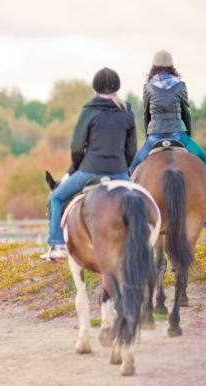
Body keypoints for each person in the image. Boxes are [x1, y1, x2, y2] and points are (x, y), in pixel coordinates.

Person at [41, 68, 136, 260]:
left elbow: (77, 147)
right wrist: (122, 168)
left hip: (89, 171)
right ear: (117, 87)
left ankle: (57, 245)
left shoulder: (89, 111)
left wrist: (76, 167)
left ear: (95, 88)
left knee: (56, 198)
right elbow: (131, 150)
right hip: (118, 171)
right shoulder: (127, 112)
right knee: (140, 202)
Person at [129, 50, 206, 209]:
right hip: (178, 134)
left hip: (154, 136)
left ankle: (129, 201)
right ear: (171, 66)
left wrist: (149, 135)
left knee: (133, 166)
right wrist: (187, 134)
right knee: (205, 159)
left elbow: (146, 114)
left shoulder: (148, 87)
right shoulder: (180, 85)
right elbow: (186, 112)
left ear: (154, 67)